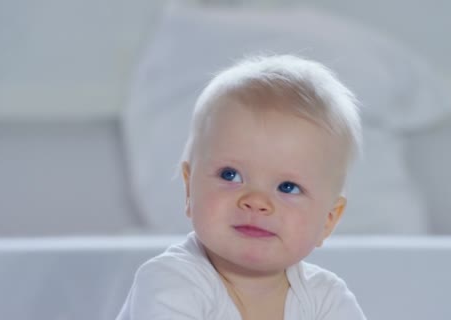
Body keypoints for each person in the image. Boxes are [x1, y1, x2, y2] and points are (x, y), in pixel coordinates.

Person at [116, 54, 366, 320]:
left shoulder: (325, 300)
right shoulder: (171, 282)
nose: (256, 201)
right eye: (230, 175)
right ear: (189, 190)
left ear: (328, 220)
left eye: (288, 187)